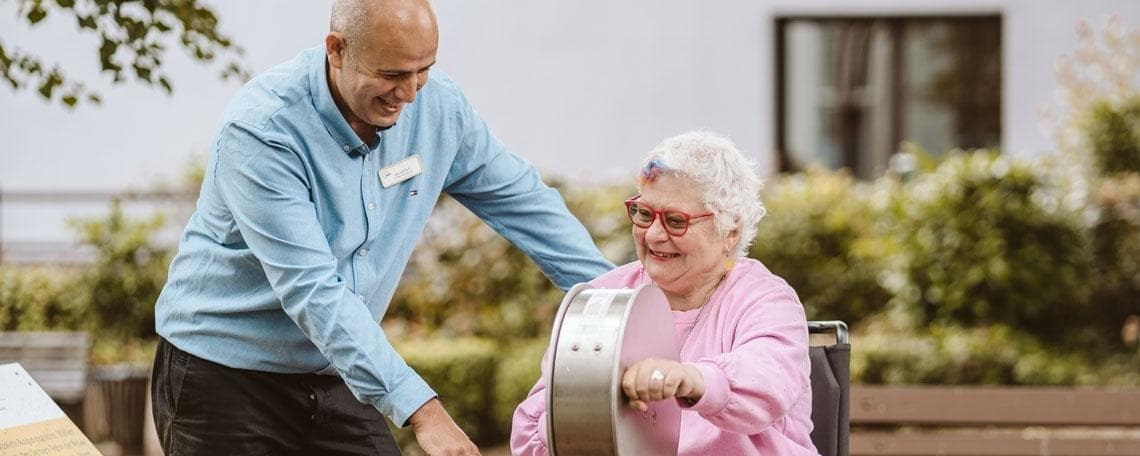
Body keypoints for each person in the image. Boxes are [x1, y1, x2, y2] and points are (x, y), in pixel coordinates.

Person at [149, 0, 614, 454]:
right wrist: (424, 411)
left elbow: (524, 202)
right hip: (223, 376)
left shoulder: (438, 107)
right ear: (337, 49)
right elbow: (312, 289)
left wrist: (618, 303)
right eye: (391, 74)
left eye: (423, 70)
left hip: (336, 369)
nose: (410, 94)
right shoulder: (263, 129)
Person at [511, 130, 818, 455]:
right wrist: (579, 410)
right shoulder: (604, 298)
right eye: (644, 214)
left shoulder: (765, 300)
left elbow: (766, 382)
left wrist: (689, 379)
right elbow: (534, 431)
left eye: (675, 221)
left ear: (730, 230)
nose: (654, 235)